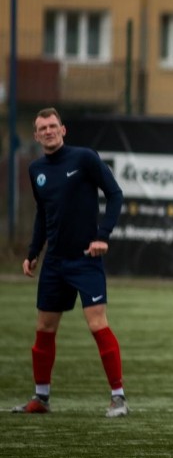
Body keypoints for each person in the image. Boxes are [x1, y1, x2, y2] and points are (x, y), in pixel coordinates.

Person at [14, 107, 127, 417]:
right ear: (36, 136)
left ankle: (118, 397)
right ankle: (41, 398)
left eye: (53, 126)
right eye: (42, 128)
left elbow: (115, 194)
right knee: (44, 328)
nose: (48, 131)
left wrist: (102, 235)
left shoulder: (84, 158)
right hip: (54, 264)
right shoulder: (36, 169)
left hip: (86, 260)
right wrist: (33, 253)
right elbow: (43, 214)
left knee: (97, 323)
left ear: (63, 130)